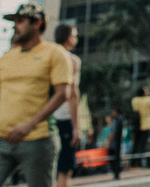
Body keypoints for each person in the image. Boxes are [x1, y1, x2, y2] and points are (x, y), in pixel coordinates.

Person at [0, 3, 72, 187]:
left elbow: (63, 94)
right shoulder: (3, 61)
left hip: (38, 139)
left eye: (20, 21)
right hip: (1, 141)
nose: (15, 26)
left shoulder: (55, 53)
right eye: (14, 21)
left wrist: (29, 125)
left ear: (37, 23)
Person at [51, 25, 82, 187]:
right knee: (64, 169)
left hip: (43, 118)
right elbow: (73, 94)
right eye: (75, 36)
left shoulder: (45, 55)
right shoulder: (72, 60)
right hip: (63, 118)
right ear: (69, 38)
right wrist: (76, 127)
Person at [129, 83, 150, 168]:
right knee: (141, 145)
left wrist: (149, 89)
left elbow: (144, 94)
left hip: (136, 125)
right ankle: (137, 163)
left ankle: (132, 163)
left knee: (135, 144)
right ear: (144, 93)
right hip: (145, 124)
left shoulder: (135, 100)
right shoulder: (147, 100)